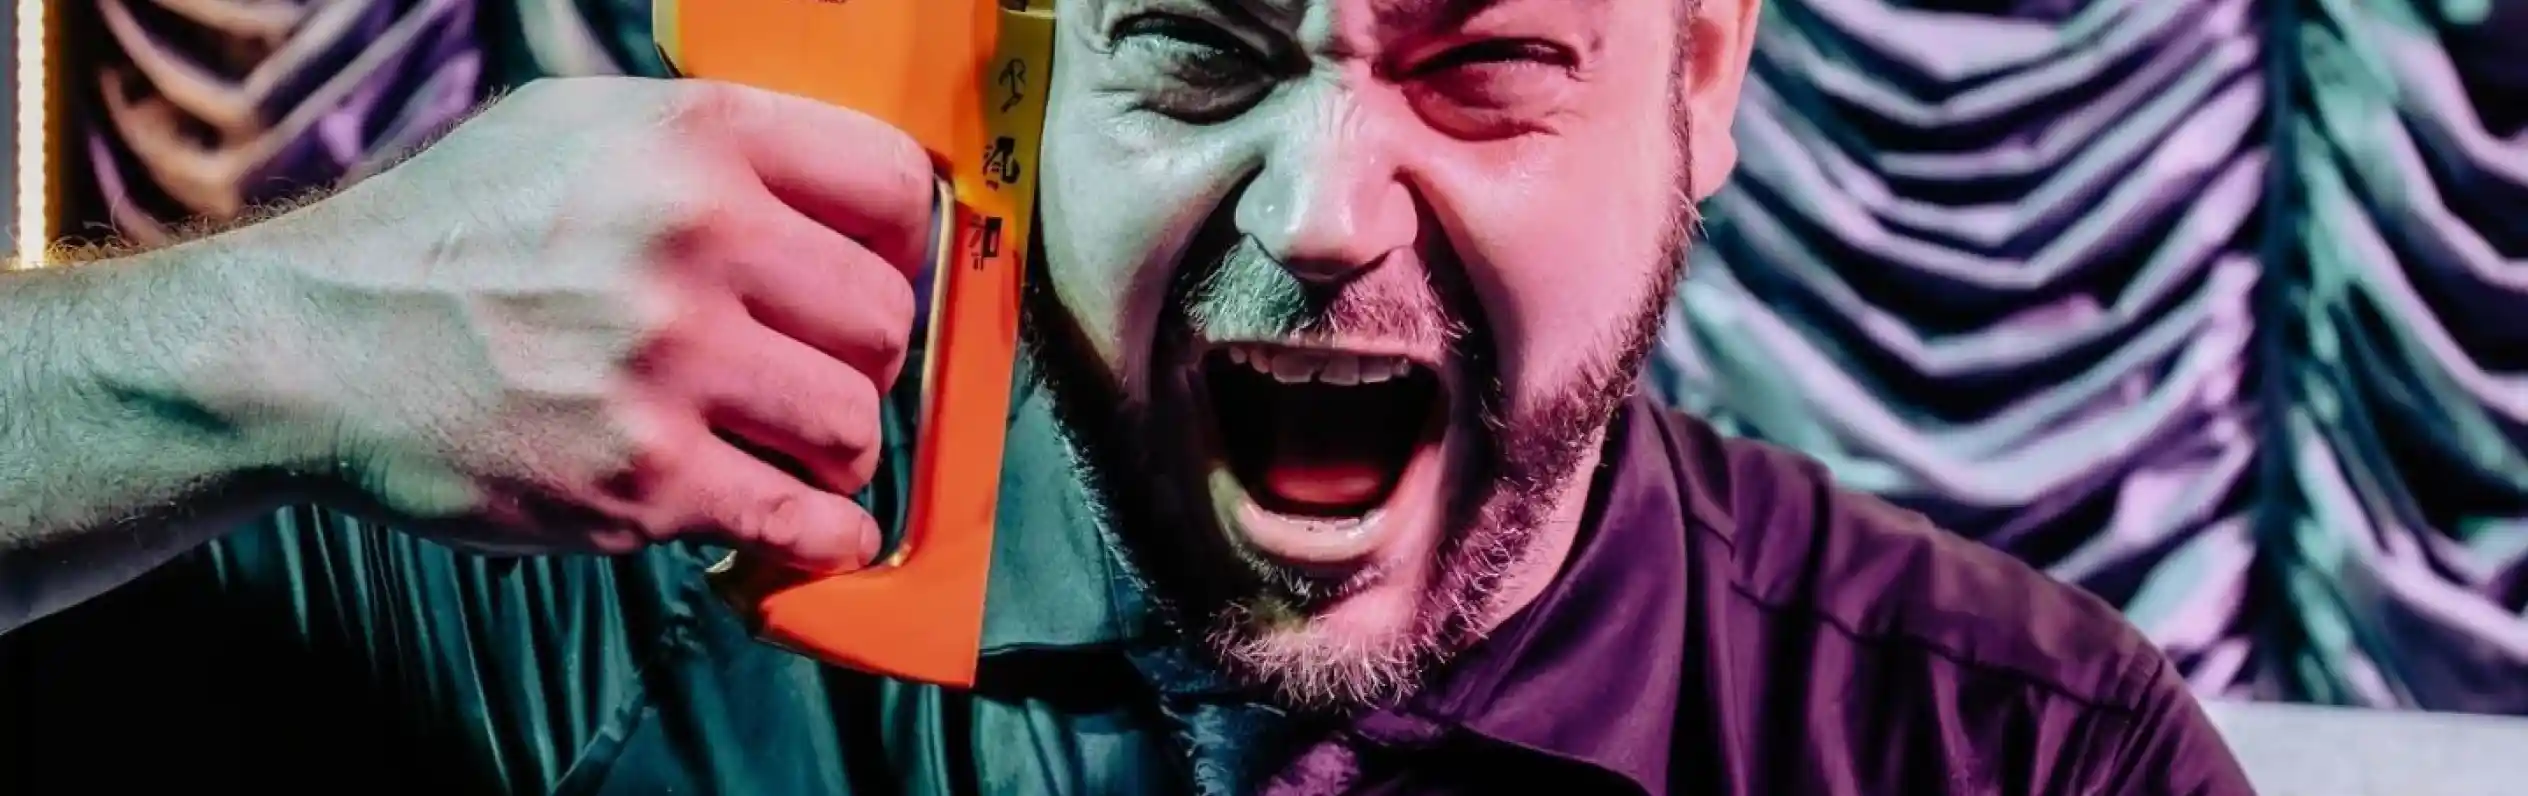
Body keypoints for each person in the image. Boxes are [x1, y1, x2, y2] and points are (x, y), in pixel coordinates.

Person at [0, 0, 2256, 793]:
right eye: (1195, 47)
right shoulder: (587, 597)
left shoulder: (2016, 752)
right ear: (1023, 87)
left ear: (1700, 81)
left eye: (1480, 65)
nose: (1328, 210)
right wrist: (252, 341)